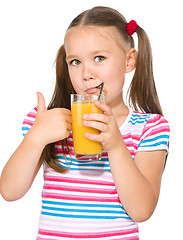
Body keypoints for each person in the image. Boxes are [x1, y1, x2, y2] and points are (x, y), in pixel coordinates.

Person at [0, 6, 170, 240]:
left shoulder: (149, 128)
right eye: (75, 61)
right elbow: (9, 192)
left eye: (99, 58)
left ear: (129, 60)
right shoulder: (47, 123)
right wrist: (36, 137)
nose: (86, 74)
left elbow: (141, 210)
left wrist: (116, 146)